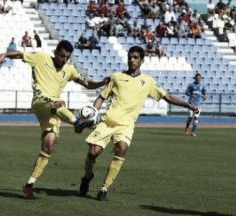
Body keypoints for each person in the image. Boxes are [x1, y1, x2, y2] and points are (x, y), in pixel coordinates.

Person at [78, 46, 199, 201]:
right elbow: (101, 97)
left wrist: (189, 105)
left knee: (121, 149)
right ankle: (87, 177)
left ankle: (104, 189)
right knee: (93, 153)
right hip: (108, 121)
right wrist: (94, 113)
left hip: (127, 124)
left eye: (135, 57)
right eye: (130, 57)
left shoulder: (148, 82)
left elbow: (167, 96)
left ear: (142, 60)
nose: (131, 60)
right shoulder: (116, 77)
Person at [0, 40, 111, 199]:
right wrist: (4, 54)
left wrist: (102, 83)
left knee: (48, 146)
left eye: (67, 57)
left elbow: (87, 83)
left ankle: (29, 184)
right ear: (56, 52)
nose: (64, 60)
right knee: (59, 103)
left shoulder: (69, 70)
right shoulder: (41, 58)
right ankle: (78, 122)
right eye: (62, 56)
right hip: (41, 103)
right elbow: (20, 54)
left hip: (56, 113)